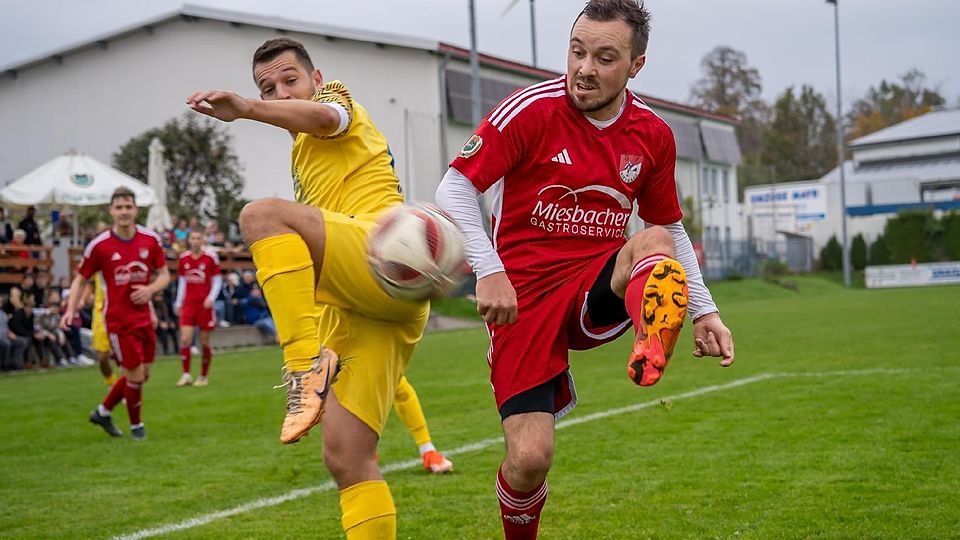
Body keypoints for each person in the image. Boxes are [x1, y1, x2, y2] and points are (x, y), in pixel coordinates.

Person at [434, 2, 736, 538]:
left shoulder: (652, 135)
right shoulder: (529, 111)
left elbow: (673, 229)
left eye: (604, 57)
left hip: (597, 284)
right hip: (521, 300)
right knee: (530, 459)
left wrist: (704, 311)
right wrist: (488, 270)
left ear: (635, 66)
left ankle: (652, 334)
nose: (584, 68)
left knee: (656, 238)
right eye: (577, 52)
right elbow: (455, 186)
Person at [187, 37, 450, 538]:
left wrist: (246, 107)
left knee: (261, 216)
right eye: (268, 86)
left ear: (315, 78)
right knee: (347, 457)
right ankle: (315, 363)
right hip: (366, 305)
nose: (281, 92)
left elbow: (327, 117)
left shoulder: (338, 99)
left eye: (290, 80)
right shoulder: (302, 160)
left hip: (384, 257)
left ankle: (300, 367)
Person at [61, 187, 170, 440]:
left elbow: (164, 275)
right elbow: (80, 279)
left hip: (144, 317)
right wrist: (70, 309)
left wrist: (150, 290)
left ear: (135, 209)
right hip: (119, 321)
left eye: (128, 207)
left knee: (143, 374)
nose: (124, 212)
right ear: (111, 211)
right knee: (134, 374)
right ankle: (137, 428)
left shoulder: (150, 239)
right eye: (119, 207)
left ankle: (103, 411)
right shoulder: (99, 246)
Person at [173, 229, 222, 386]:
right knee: (185, 338)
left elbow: (217, 279)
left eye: (198, 238)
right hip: (188, 304)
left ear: (203, 240)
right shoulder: (183, 258)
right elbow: (182, 281)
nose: (195, 241)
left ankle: (203, 376)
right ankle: (186, 374)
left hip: (204, 305)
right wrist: (178, 302)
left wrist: (211, 298)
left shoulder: (210, 257)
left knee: (204, 341)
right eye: (192, 238)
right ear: (189, 240)